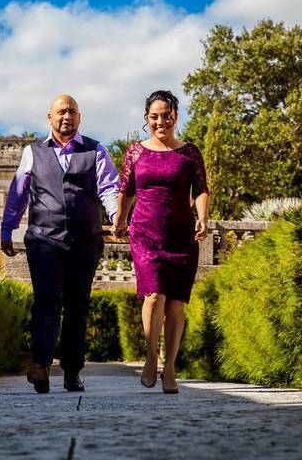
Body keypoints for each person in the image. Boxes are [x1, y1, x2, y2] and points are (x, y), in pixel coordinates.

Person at [1, 94, 120, 394]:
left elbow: (109, 187)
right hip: (44, 239)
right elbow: (18, 193)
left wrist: (117, 217)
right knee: (47, 301)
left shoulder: (95, 150)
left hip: (85, 240)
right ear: (50, 117)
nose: (67, 116)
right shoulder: (33, 152)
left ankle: (72, 371)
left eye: (72, 112)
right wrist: (7, 229)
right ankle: (40, 365)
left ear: (80, 117)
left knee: (78, 306)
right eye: (61, 111)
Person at [111, 90, 209, 394]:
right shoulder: (135, 152)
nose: (160, 121)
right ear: (147, 119)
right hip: (145, 233)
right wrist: (120, 220)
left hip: (181, 234)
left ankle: (170, 368)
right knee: (154, 295)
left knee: (176, 303)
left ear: (175, 116)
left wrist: (203, 217)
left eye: (166, 115)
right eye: (154, 117)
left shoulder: (189, 152)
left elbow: (201, 188)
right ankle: (151, 356)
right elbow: (127, 190)